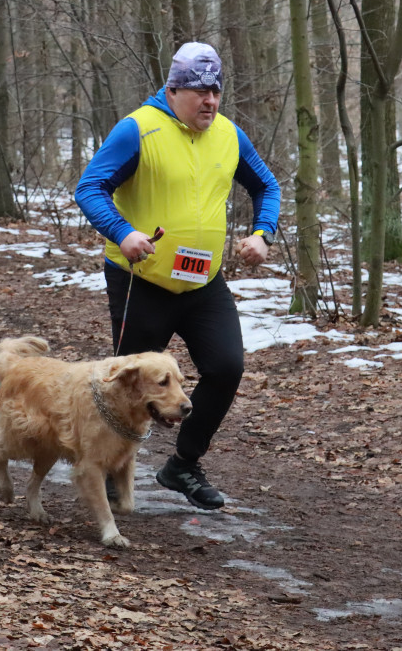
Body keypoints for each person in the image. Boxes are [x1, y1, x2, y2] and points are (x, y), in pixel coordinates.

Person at [75, 42, 281, 510]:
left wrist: (263, 233)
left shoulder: (229, 135)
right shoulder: (138, 130)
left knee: (226, 368)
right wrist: (122, 232)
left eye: (216, 92)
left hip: (203, 282)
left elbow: (266, 185)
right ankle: (109, 470)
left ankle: (182, 465)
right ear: (173, 90)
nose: (210, 102)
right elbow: (90, 187)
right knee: (128, 385)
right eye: (200, 93)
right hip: (141, 280)